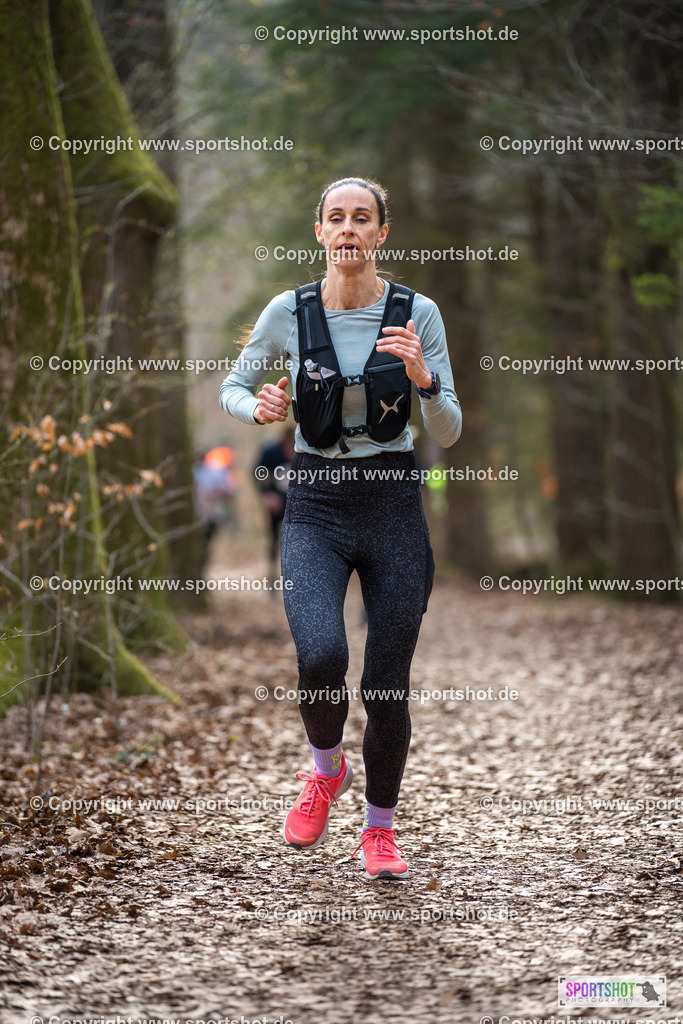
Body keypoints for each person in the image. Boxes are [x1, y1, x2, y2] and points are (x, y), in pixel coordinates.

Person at [220, 177, 461, 880]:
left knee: (385, 684)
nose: (349, 228)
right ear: (319, 232)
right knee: (321, 654)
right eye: (336, 218)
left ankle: (379, 831)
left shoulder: (419, 313)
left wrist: (423, 380)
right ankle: (326, 771)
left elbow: (449, 427)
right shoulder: (288, 312)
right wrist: (256, 407)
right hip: (316, 505)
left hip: (392, 502)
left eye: (362, 218)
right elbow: (234, 386)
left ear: (381, 233)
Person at [253, 426, 296, 585]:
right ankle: (272, 576)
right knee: (273, 539)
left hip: (299, 505)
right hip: (276, 502)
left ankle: (294, 577)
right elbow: (258, 473)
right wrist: (267, 495)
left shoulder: (305, 453)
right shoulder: (271, 452)